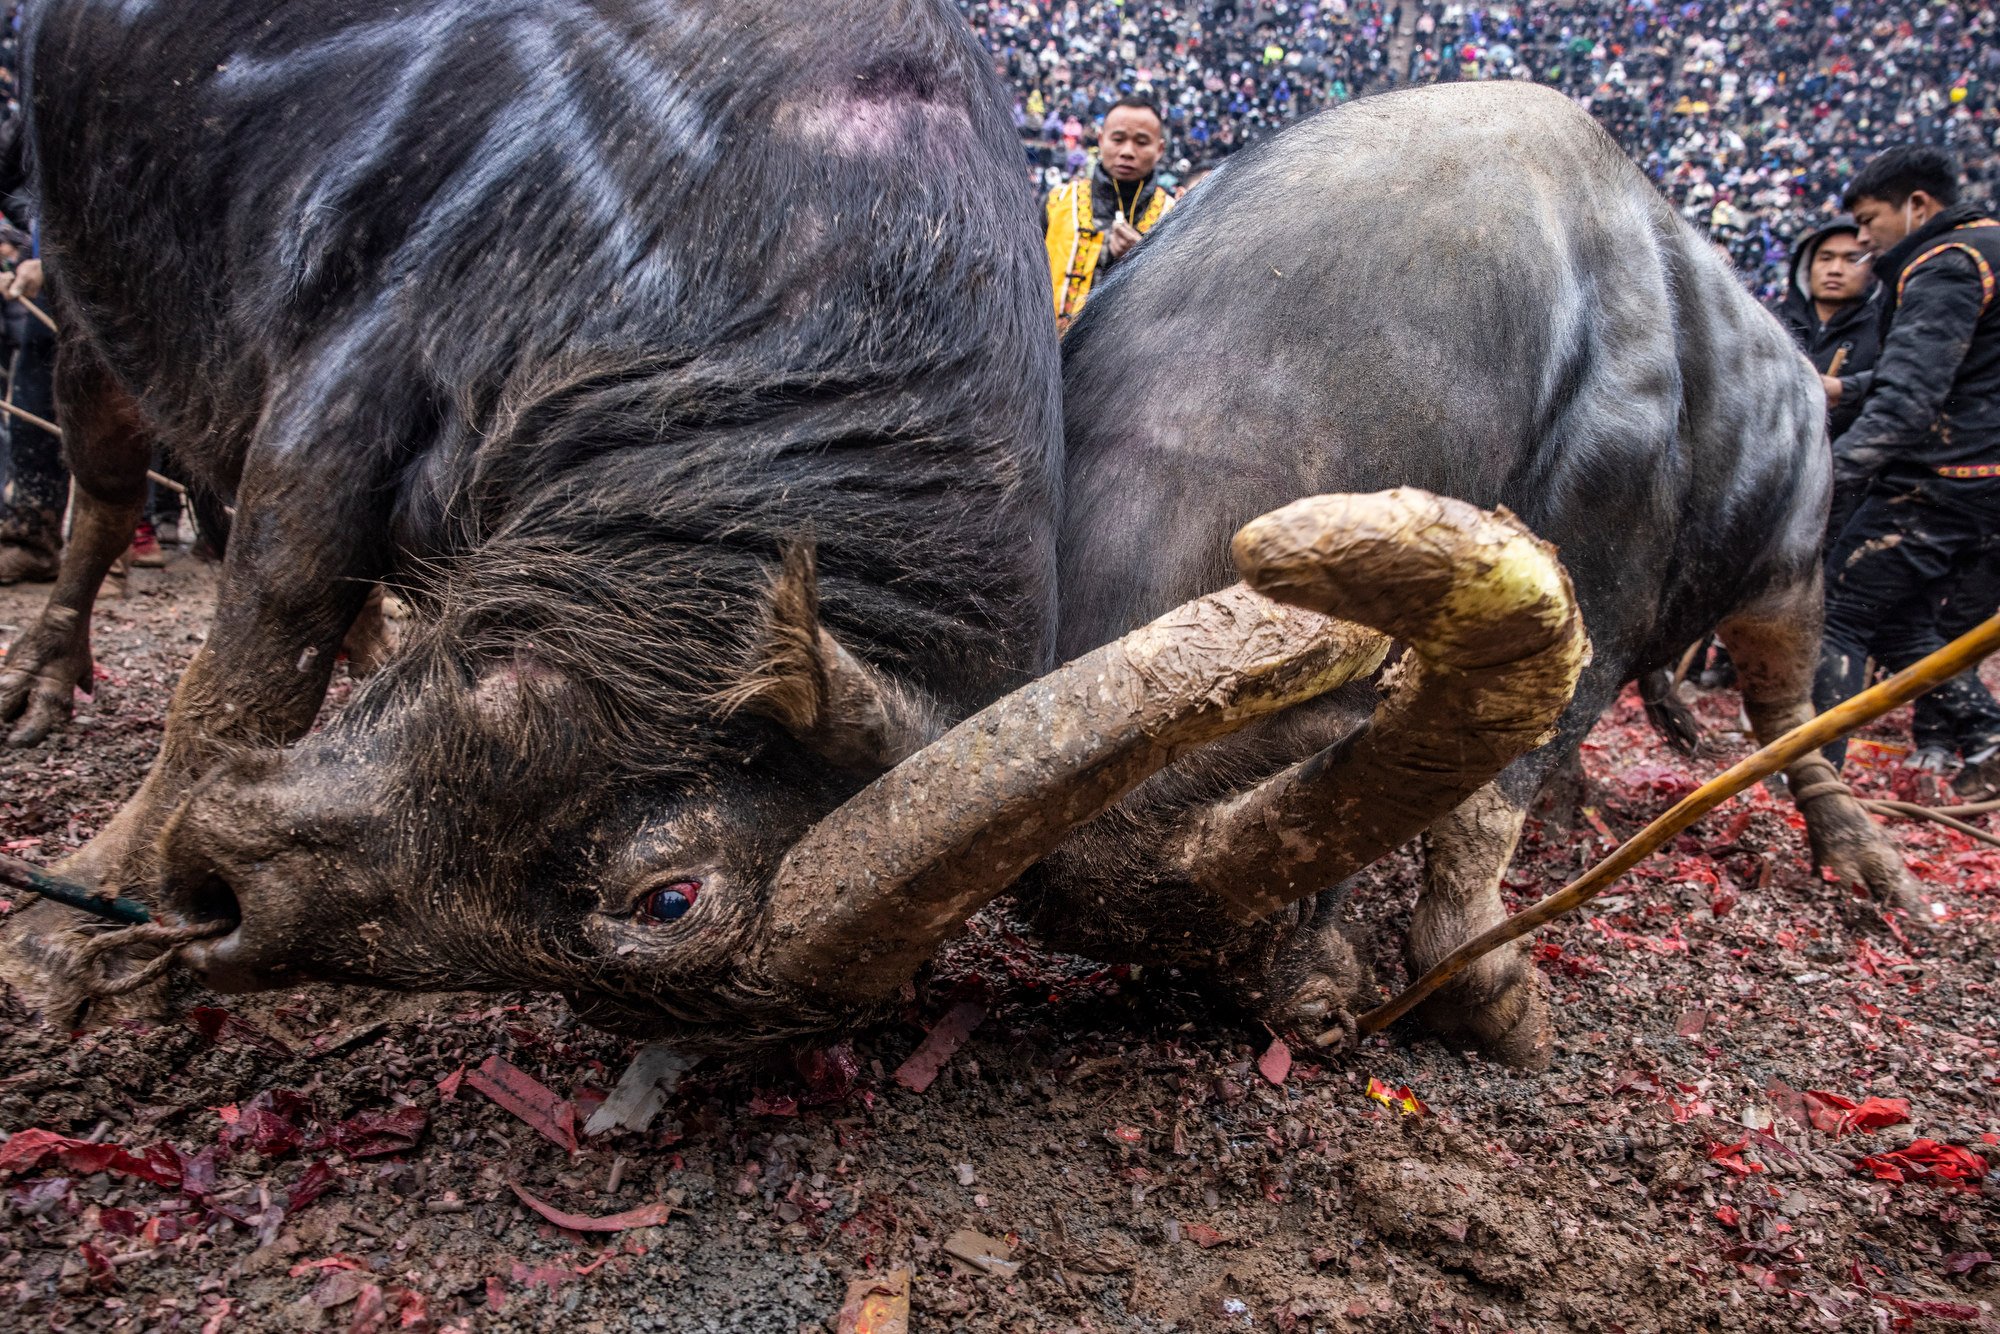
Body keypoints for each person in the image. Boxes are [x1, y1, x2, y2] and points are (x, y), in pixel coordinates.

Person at [1814, 146, 2000, 791]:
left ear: (1917, 206)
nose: (1863, 240)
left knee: (1837, 609)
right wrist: (1845, 388)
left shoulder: (1946, 263)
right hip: (1983, 481)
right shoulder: (1991, 249)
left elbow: (1910, 399)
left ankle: (1811, 772)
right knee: (1902, 622)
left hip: (1941, 481)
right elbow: (1960, 371)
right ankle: (1984, 733)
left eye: (1868, 221)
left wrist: (1826, 476)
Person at [1043, 95, 1173, 332]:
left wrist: (1143, 261)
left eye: (1142, 142)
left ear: (1159, 149)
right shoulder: (1058, 202)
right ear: (1101, 140)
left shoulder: (1175, 216)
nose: (1127, 152)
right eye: (1118, 139)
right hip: (1049, 357)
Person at [1774, 215, 1881, 441]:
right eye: (1825, 258)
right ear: (1807, 266)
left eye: (1852, 259)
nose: (1835, 270)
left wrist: (1847, 389)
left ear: (1873, 270)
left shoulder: (1886, 326)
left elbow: (1905, 381)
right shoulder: (1773, 322)